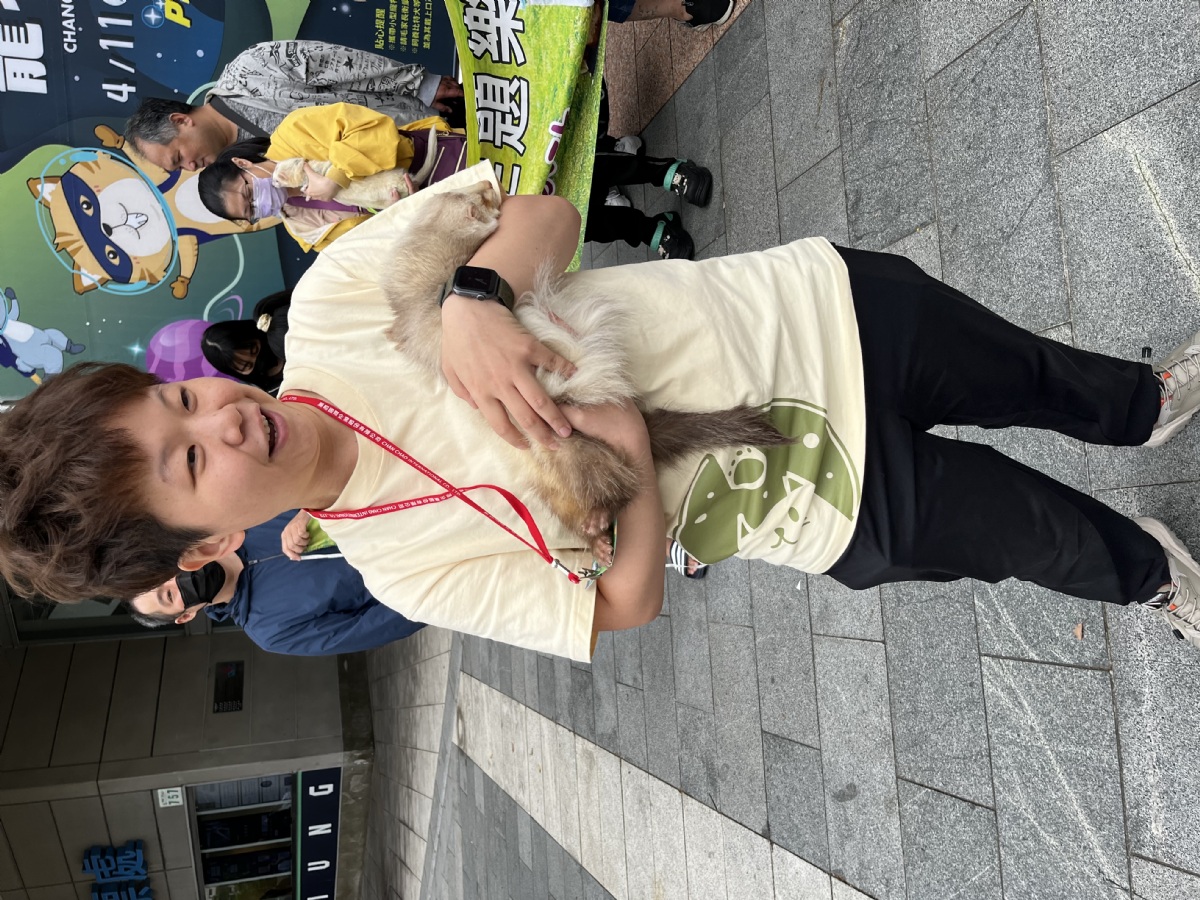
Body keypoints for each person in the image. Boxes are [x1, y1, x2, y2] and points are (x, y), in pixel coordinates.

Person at [3, 184, 1199, 663]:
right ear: (205, 546)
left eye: (180, 400)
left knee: (1039, 377)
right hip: (821, 502)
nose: (221, 419)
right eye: (188, 463)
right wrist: (626, 468)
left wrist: (477, 294)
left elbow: (543, 208)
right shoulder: (401, 567)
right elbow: (621, 605)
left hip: (814, 310)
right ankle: (1152, 577)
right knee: (1044, 541)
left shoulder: (331, 309)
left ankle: (1146, 405)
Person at [123, 41, 465, 172]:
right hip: (423, 174)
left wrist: (420, 84)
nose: (190, 167)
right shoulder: (243, 174)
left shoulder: (249, 70)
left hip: (428, 121)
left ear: (181, 120)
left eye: (179, 158)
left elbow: (342, 63)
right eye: (179, 169)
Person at [128, 510, 425, 656]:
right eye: (169, 595)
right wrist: (429, 590)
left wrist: (308, 510)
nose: (175, 580)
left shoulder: (246, 517)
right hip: (425, 572)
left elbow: (328, 479)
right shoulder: (271, 631)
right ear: (186, 616)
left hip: (416, 506)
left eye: (165, 574)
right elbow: (374, 627)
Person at [202, 291, 290, 394]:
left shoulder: (281, 320)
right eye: (247, 365)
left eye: (254, 350)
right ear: (238, 373)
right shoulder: (268, 396)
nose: (258, 360)